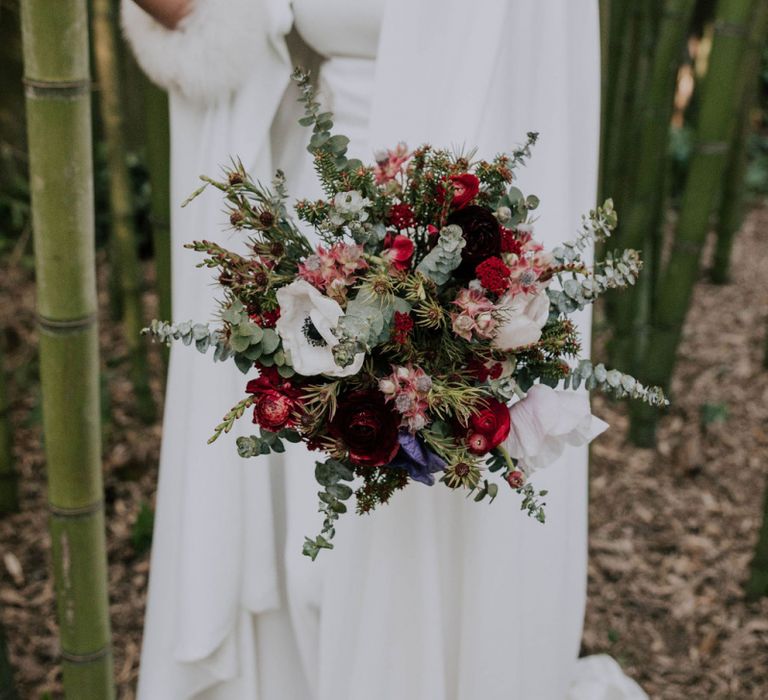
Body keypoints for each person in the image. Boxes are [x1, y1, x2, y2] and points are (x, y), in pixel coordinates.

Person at [122, 1, 648, 698]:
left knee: (440, 517)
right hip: (321, 232)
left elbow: (541, 84)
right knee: (317, 548)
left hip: (472, 224)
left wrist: (483, 279)